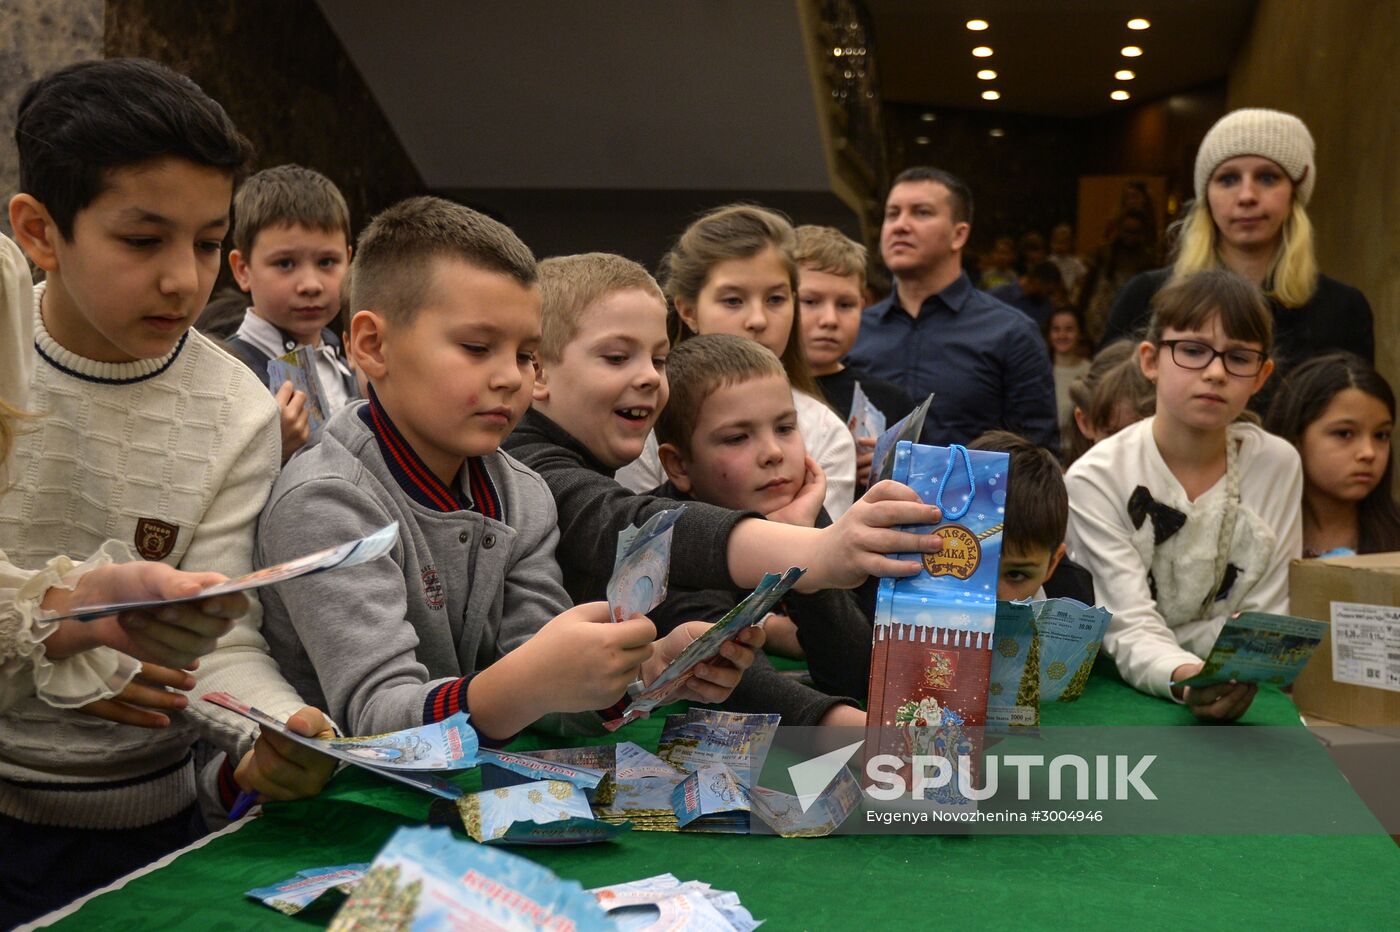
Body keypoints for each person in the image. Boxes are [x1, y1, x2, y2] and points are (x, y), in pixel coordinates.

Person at [1, 58, 333, 922]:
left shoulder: (238, 411)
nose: (183, 279)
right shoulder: (4, 363)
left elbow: (218, 633)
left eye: (205, 243)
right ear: (40, 231)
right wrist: (67, 636)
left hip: (151, 822)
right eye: (143, 241)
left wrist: (278, 723)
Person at [255, 198, 757, 742]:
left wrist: (647, 669)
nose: (510, 378)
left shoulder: (523, 493)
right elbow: (377, 720)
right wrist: (527, 682)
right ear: (373, 346)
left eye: (526, 355)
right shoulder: (325, 501)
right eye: (477, 348)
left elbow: (544, 695)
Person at [504, 251, 947, 638]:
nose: (648, 377)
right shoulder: (524, 465)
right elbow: (626, 525)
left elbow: (854, 666)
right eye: (618, 357)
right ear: (538, 372)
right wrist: (813, 551)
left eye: (658, 359)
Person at [1065, 269, 1302, 721]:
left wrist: (1231, 671)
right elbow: (1125, 621)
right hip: (1120, 696)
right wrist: (1186, 675)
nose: (1215, 372)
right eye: (1193, 350)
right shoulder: (1096, 477)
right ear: (1151, 360)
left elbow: (1263, 619)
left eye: (1238, 357)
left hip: (1245, 693)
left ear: (1261, 375)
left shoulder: (1277, 465)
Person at [650, 334, 871, 726]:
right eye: (737, 437)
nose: (773, 452)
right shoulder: (669, 536)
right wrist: (841, 724)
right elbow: (736, 684)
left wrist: (802, 545)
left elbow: (854, 672)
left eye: (785, 427)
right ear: (679, 465)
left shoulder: (795, 507)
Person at [1100, 108, 1373, 413]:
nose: (1246, 195)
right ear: (1207, 195)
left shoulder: (1342, 309)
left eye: (1268, 177)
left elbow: (1356, 426)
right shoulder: (1147, 296)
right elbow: (1104, 415)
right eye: (1228, 178)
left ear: (1294, 193)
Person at [615, 206, 858, 517]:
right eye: (733, 300)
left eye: (775, 299)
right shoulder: (642, 417)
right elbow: (636, 545)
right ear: (688, 310)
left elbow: (825, 556)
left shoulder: (826, 433)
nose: (757, 320)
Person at [846, 167, 1059, 451]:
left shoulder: (1011, 333)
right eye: (892, 213)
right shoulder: (854, 329)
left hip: (973, 494)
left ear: (958, 235)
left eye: (921, 212)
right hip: (865, 495)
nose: (900, 225)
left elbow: (1037, 457)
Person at [223, 164, 360, 463]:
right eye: (285, 264)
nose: (310, 285)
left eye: (327, 262)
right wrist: (270, 452)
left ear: (349, 262)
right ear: (243, 270)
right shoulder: (226, 374)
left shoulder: (350, 363)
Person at [793, 224, 913, 487]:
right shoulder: (754, 392)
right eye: (811, 301)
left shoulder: (892, 403)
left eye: (845, 305)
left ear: (863, 304)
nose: (830, 320)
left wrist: (894, 473)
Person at [1264, 353, 1400, 558]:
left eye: (1381, 435)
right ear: (1296, 437)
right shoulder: (1253, 535)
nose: (1368, 453)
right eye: (1344, 433)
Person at [966, 430, 1093, 605]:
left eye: (1015, 575)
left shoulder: (1074, 601)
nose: (991, 597)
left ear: (1051, 565)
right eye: (970, 568)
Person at [1061, 341, 1156, 467]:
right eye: (1112, 434)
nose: (1127, 450)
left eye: (1140, 433)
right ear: (1084, 422)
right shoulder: (1075, 484)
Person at [1080, 207, 1156, 344]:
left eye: (1134, 232)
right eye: (1126, 231)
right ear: (1119, 229)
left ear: (1141, 234)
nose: (1129, 235)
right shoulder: (1104, 252)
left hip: (1128, 320)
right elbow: (1087, 286)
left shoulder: (1146, 260)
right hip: (1098, 318)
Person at [1045, 306, 1092, 426]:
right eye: (1056, 329)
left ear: (1080, 334)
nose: (1062, 335)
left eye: (1069, 329)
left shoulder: (1091, 371)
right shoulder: (1039, 371)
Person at [991, 260, 1064, 329]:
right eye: (1048, 291)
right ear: (1037, 281)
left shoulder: (1045, 305)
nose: (1048, 297)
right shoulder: (998, 296)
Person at [1048, 223, 1088, 301]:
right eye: (1057, 242)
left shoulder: (1075, 262)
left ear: (1070, 243)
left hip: (1070, 297)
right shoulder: (1049, 261)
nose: (1060, 246)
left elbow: (1083, 277)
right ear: (1052, 243)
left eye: (1063, 243)